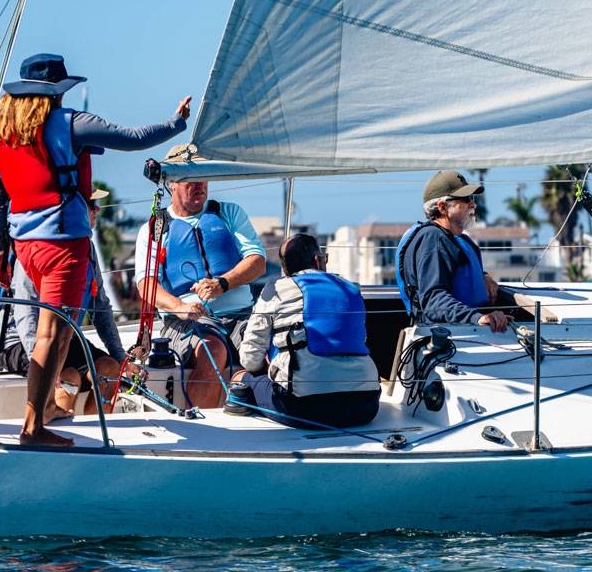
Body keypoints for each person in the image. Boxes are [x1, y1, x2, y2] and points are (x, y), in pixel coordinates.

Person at [0, 52, 189, 446]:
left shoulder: (4, 132)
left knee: (62, 335)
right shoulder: (71, 123)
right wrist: (176, 123)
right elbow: (134, 140)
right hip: (63, 246)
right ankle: (33, 429)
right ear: (57, 93)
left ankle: (42, 416)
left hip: (25, 246)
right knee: (51, 335)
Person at [132, 144, 266, 408]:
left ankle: (281, 418)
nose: (199, 186)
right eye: (189, 180)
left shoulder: (229, 213)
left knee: (272, 347)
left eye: (203, 178)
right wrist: (180, 307)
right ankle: (205, 432)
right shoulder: (155, 229)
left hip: (242, 315)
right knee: (212, 350)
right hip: (187, 321)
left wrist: (222, 284)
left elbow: (257, 262)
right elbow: (146, 284)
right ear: (171, 183)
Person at [0, 188, 131, 416]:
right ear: (72, 210)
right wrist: (43, 369)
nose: (97, 209)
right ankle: (58, 431)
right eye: (90, 204)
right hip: (19, 341)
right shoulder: (37, 248)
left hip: (62, 336)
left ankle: (95, 438)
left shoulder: (87, 250)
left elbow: (101, 308)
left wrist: (120, 357)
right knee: (69, 376)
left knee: (110, 370)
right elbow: (25, 315)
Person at [231, 233, 380, 429]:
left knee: (240, 378)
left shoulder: (276, 289)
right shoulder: (351, 289)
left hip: (303, 407)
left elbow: (250, 358)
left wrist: (264, 370)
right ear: (318, 261)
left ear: (285, 267)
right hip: (366, 406)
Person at [395, 170, 516, 332]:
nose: (473, 204)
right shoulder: (433, 239)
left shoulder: (458, 240)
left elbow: (457, 271)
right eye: (466, 200)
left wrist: (483, 275)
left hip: (468, 331)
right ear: (443, 207)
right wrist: (477, 318)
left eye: (472, 198)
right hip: (449, 336)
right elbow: (433, 300)